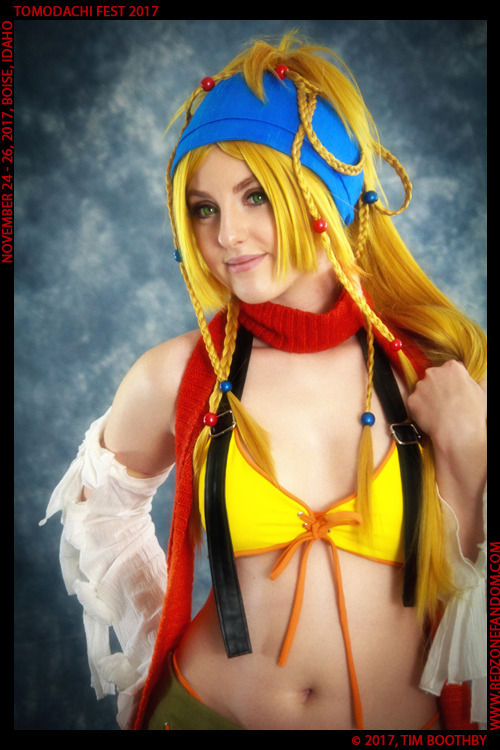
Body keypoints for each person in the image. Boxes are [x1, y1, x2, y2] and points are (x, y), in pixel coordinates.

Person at [42, 32, 487, 731]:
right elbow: (100, 511)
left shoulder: (434, 370)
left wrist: (473, 452)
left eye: (255, 195)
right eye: (205, 207)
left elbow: (472, 585)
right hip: (204, 714)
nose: (227, 235)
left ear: (327, 193)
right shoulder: (179, 373)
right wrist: (158, 636)